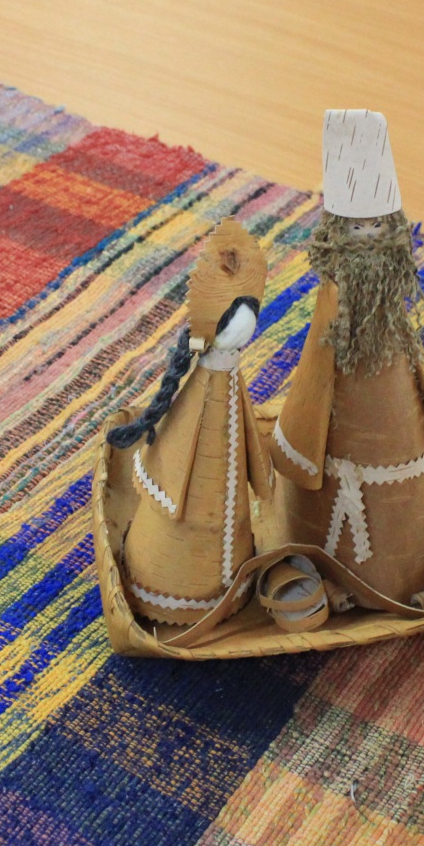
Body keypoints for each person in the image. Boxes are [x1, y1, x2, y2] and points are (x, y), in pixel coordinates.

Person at [268, 110, 424, 617]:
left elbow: (421, 375)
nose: (366, 236)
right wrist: (299, 448)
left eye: (376, 225)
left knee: (407, 503)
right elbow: (314, 379)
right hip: (330, 500)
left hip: (406, 471)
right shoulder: (332, 306)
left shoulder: (394, 316)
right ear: (336, 232)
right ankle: (328, 579)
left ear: (393, 229)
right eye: (355, 227)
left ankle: (419, 576)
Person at [109, 219, 273, 628]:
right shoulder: (202, 389)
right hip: (164, 571)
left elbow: (248, 439)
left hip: (233, 556)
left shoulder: (229, 381)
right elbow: (175, 459)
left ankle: (228, 589)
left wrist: (263, 476)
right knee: (184, 506)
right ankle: (177, 591)